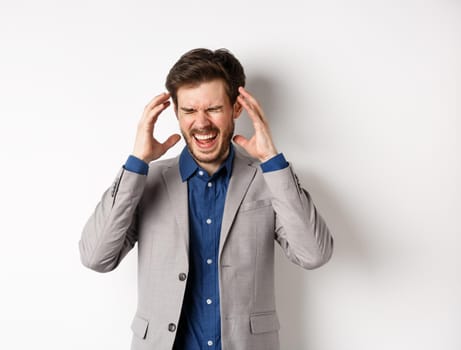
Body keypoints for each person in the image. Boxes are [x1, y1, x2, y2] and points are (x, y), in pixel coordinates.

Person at [79, 48, 333, 350]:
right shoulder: (145, 182)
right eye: (189, 111)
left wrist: (272, 161)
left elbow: (314, 254)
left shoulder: (269, 180)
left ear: (236, 109)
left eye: (213, 109)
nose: (201, 123)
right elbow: (96, 257)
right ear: (175, 112)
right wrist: (137, 162)